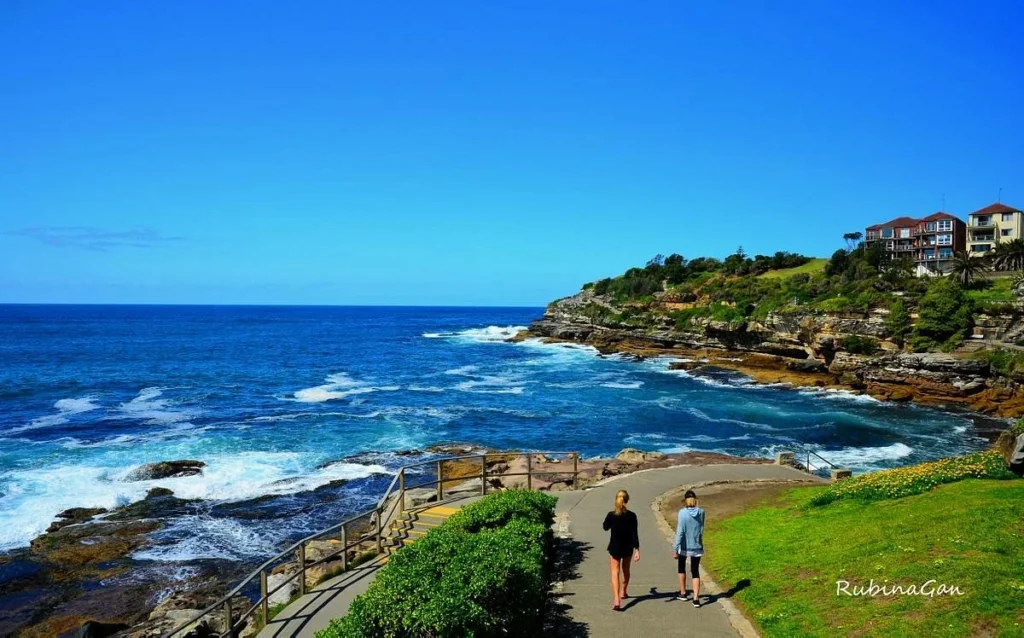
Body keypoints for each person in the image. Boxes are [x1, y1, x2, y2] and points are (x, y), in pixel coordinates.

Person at [602, 489, 640, 610]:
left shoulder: (611, 515)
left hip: (615, 546)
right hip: (627, 546)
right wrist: (637, 549)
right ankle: (623, 590)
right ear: (627, 500)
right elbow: (635, 533)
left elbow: (605, 527)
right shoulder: (632, 516)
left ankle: (616, 598)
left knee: (615, 572)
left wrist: (609, 521)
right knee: (626, 570)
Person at [673, 489, 705, 608]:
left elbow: (680, 531)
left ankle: (683, 592)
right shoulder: (701, 512)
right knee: (695, 570)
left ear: (685, 501)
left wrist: (676, 547)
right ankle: (696, 598)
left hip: (684, 546)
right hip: (697, 545)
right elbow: (701, 528)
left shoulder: (682, 513)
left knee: (681, 567)